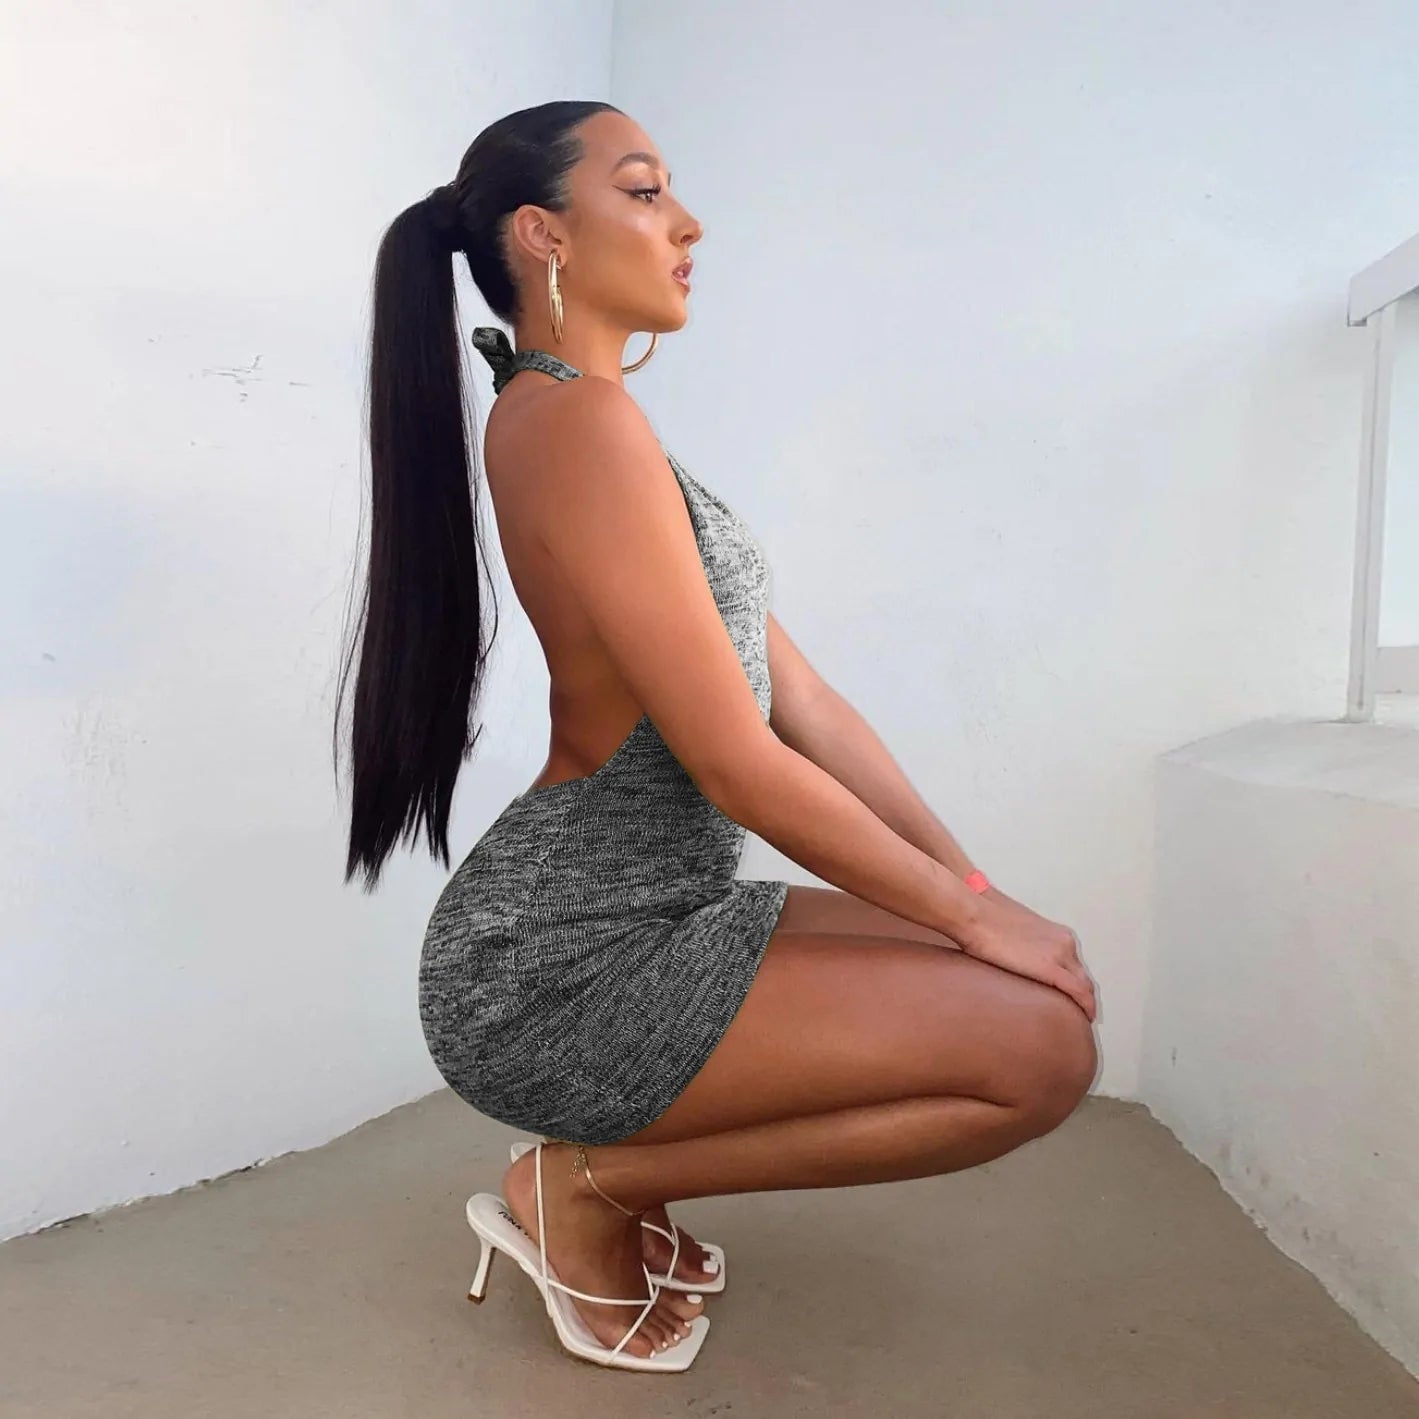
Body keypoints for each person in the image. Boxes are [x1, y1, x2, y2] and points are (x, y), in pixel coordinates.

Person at [336, 100, 1098, 1373]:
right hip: (557, 964)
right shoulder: (573, 423)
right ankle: (586, 1188)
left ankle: (608, 1174)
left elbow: (808, 709)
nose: (687, 224)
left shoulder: (602, 425)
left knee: (1014, 986)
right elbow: (735, 761)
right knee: (1039, 1055)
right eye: (644, 192)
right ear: (542, 233)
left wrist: (973, 891)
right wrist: (974, 921)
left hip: (657, 913)